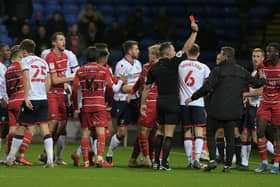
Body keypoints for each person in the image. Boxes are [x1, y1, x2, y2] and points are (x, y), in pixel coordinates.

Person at [185, 46, 266, 173]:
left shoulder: (218, 70)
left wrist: (193, 97)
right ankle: (227, 166)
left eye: (221, 54)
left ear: (225, 56)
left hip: (216, 110)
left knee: (210, 134)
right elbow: (257, 83)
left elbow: (207, 87)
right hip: (233, 111)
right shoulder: (241, 70)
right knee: (230, 138)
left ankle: (212, 160)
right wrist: (263, 78)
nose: (220, 56)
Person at [141, 21, 199, 171]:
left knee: (159, 131)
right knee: (169, 134)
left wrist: (143, 104)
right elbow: (187, 48)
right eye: (173, 50)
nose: (175, 51)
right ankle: (164, 163)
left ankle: (155, 161)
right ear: (168, 53)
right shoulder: (174, 62)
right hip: (173, 101)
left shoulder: (154, 68)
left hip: (160, 101)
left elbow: (146, 88)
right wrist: (194, 33)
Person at [6, 39, 54, 168]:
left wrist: (26, 97)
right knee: (45, 128)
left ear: (24, 50)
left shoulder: (25, 61)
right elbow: (48, 80)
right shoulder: (43, 62)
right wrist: (44, 93)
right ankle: (50, 159)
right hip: (43, 98)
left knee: (21, 127)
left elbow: (26, 79)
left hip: (31, 98)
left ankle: (10, 158)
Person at [106, 40, 142, 165]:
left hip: (136, 100)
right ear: (129, 51)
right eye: (136, 49)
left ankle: (139, 157)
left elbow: (136, 84)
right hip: (123, 101)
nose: (138, 51)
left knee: (144, 129)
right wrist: (134, 88)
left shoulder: (138, 64)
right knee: (121, 133)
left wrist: (133, 88)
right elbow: (122, 87)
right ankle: (109, 154)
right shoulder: (121, 65)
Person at [42, 32, 73, 165]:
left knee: (62, 125)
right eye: (60, 40)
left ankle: (47, 153)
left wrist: (67, 88)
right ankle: (47, 154)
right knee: (53, 122)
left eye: (64, 39)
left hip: (62, 94)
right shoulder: (50, 57)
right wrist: (73, 78)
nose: (63, 42)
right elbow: (54, 80)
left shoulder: (65, 56)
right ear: (54, 43)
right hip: (52, 93)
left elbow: (61, 75)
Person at [127, 44, 161, 168]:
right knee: (146, 133)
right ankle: (138, 159)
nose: (148, 55)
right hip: (147, 101)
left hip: (151, 102)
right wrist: (132, 92)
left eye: (150, 53)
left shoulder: (159, 67)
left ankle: (147, 158)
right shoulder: (146, 66)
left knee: (145, 132)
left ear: (156, 55)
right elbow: (140, 81)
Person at [178, 43, 210, 169]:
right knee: (199, 131)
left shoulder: (180, 65)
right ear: (198, 53)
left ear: (187, 52)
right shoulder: (204, 67)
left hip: (183, 103)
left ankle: (189, 161)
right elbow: (208, 87)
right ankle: (196, 159)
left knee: (187, 131)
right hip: (198, 103)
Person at [5, 45, 34, 165]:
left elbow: (7, 89)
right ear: (20, 56)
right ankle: (20, 155)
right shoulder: (22, 66)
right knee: (31, 128)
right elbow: (27, 81)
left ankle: (8, 156)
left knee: (12, 129)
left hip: (11, 100)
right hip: (20, 99)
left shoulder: (8, 69)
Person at [254, 42, 280, 174]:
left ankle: (276, 164)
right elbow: (255, 82)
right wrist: (260, 80)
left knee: (277, 134)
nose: (268, 54)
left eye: (270, 52)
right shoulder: (262, 66)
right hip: (264, 102)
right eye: (267, 52)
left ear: (277, 53)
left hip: (278, 103)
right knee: (259, 131)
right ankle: (264, 162)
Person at [239, 48, 264, 170]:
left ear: (263, 58)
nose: (255, 58)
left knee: (256, 138)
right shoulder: (254, 72)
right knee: (245, 134)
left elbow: (260, 91)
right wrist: (247, 99)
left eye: (258, 56)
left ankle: (276, 160)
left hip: (258, 108)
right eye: (254, 56)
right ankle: (244, 164)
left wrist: (244, 95)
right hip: (251, 107)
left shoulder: (263, 72)